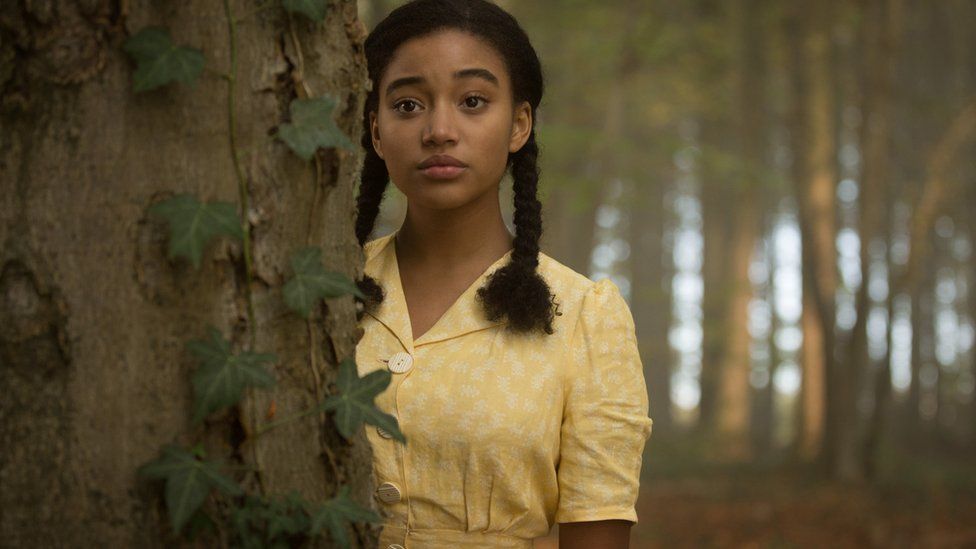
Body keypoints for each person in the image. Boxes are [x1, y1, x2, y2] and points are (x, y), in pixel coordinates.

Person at [353, 1, 653, 547]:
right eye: (408, 104)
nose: (439, 130)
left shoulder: (585, 317)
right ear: (376, 131)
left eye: (472, 101)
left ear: (519, 123)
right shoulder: (324, 287)